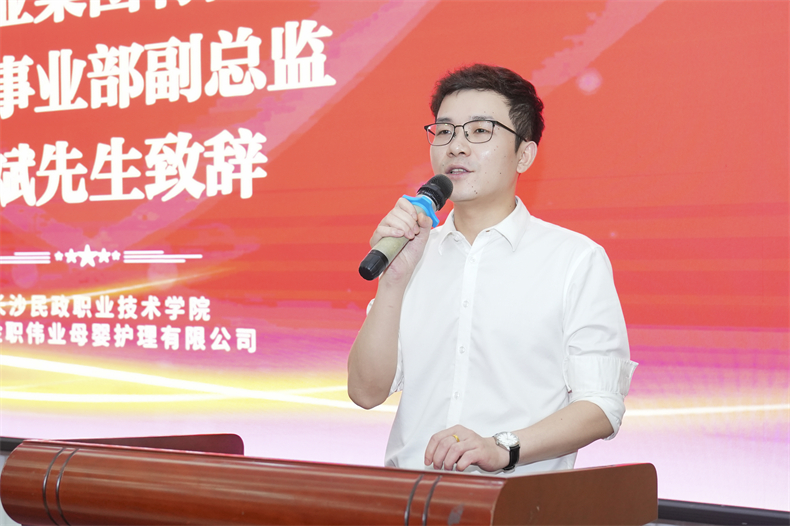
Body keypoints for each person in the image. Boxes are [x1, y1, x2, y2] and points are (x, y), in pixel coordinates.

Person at [347, 64, 637, 475]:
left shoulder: (574, 259)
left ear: (524, 154)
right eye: (444, 131)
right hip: (410, 497)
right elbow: (365, 392)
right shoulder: (413, 252)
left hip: (518, 501)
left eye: (480, 130)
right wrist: (393, 282)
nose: (456, 146)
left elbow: (601, 406)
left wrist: (503, 447)